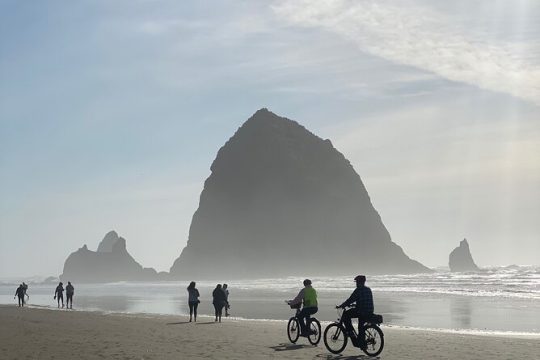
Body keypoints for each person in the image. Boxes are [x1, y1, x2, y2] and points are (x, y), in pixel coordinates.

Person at [337, 275, 374, 347]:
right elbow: (364, 301)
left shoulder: (358, 290)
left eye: (356, 282)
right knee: (361, 327)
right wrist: (355, 305)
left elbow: (350, 300)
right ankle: (361, 342)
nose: (356, 283)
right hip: (369, 311)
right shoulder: (368, 289)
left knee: (346, 315)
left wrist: (342, 305)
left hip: (361, 311)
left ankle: (350, 332)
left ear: (359, 282)